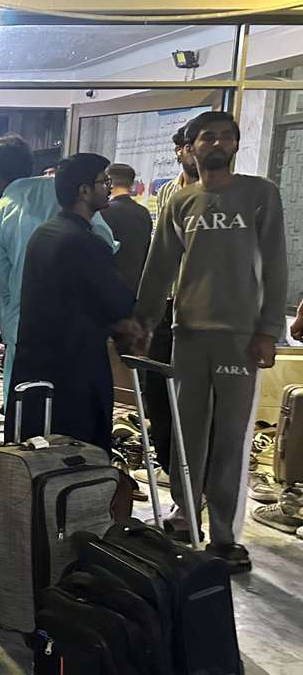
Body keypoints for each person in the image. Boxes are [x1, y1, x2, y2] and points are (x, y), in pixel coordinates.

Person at [136, 111, 287, 573]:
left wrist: (267, 331)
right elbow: (158, 266)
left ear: (236, 145)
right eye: (207, 137)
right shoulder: (180, 202)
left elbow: (277, 263)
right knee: (188, 432)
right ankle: (186, 515)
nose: (216, 143)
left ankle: (224, 535)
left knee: (230, 438)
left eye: (226, 136)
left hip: (240, 337)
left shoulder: (259, 194)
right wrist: (142, 322)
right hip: (189, 334)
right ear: (192, 146)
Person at [6, 154, 141, 448]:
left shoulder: (44, 234)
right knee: (78, 460)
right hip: (75, 371)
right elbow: (117, 302)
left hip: (38, 363)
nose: (108, 187)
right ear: (83, 191)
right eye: (104, 181)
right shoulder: (85, 243)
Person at [0, 134, 117, 405]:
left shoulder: (0, 213)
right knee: (76, 406)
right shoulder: (64, 194)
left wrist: (9, 327)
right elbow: (105, 243)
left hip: (27, 328)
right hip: (81, 326)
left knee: (27, 409)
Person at [139, 127, 201, 476]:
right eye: (187, 146)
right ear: (179, 150)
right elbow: (159, 252)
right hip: (167, 304)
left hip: (204, 310)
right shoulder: (166, 193)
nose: (193, 152)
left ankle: (194, 472)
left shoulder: (229, 196)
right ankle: (168, 463)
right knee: (157, 390)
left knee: (194, 396)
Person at [100, 163, 152, 295]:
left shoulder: (103, 212)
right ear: (131, 184)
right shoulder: (143, 213)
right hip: (136, 288)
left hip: (108, 288)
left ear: (108, 182)